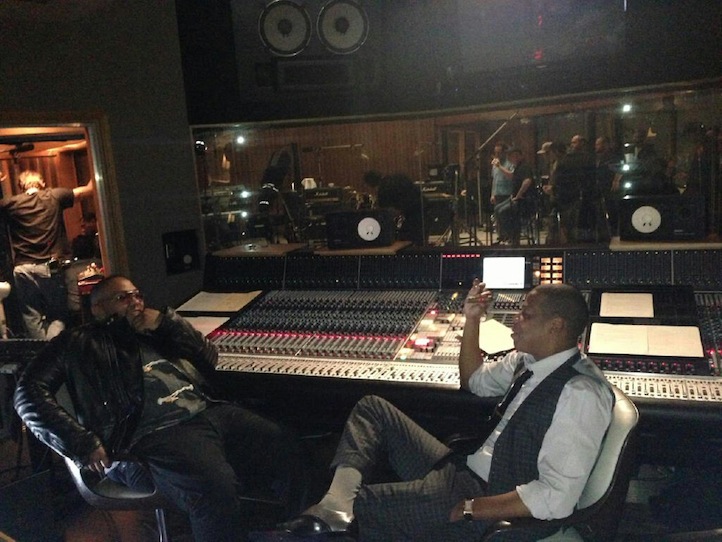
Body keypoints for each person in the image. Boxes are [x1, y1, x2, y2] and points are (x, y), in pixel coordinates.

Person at [279, 281, 613, 541]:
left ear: (556, 326)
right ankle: (336, 504)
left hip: (485, 496)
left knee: (360, 509)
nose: (515, 321)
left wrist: (472, 509)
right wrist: (472, 318)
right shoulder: (528, 361)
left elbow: (556, 497)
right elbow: (474, 380)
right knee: (373, 409)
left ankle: (333, 517)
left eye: (526, 315)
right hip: (465, 468)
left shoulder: (580, 394)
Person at [14, 274, 304, 542]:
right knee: (214, 488)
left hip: (208, 412)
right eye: (123, 297)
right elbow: (27, 394)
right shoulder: (76, 342)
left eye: (138, 295)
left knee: (286, 444)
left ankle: (295, 530)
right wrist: (79, 441)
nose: (136, 302)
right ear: (98, 308)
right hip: (151, 433)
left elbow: (209, 357)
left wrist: (168, 324)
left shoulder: (155, 331)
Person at [0, 170, 94, 339]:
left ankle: (41, 349)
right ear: (42, 183)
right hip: (50, 266)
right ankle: (53, 347)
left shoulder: (11, 203)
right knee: (58, 314)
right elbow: (88, 190)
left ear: (21, 186)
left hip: (23, 268)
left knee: (31, 316)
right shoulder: (55, 196)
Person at [363, 171, 424, 246]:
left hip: (414, 213)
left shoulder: (383, 190)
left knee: (407, 238)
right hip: (423, 206)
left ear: (370, 183)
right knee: (420, 238)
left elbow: (388, 213)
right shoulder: (398, 176)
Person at [505, 147, 534, 245]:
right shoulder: (517, 167)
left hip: (524, 200)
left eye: (516, 156)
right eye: (512, 156)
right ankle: (507, 235)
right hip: (516, 199)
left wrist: (518, 195)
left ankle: (513, 237)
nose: (514, 158)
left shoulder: (525, 167)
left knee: (504, 211)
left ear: (521, 156)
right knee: (498, 208)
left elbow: (527, 181)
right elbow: (514, 180)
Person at [489, 142, 514, 244]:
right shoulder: (495, 165)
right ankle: (501, 236)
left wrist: (500, 166)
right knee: (497, 216)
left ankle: (508, 236)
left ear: (504, 152)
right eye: (496, 153)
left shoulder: (510, 163)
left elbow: (511, 176)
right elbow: (494, 180)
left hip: (508, 193)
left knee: (506, 216)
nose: (497, 155)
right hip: (498, 193)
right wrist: (492, 194)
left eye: (499, 152)